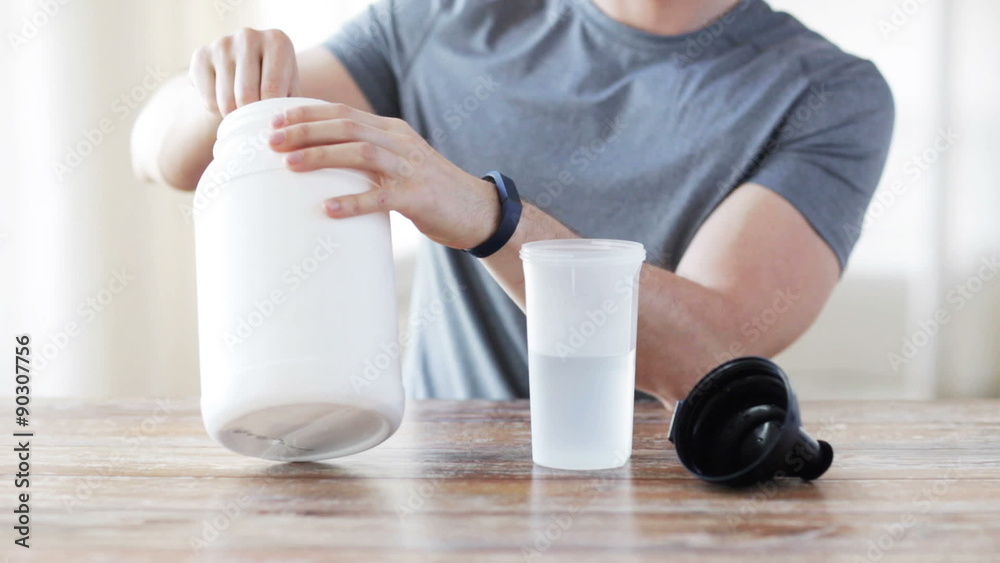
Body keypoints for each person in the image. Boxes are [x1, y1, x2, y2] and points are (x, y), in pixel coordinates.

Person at [131, 0, 894, 406]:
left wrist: (490, 216)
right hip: (439, 494)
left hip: (661, 505)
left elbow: (714, 353)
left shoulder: (826, 93)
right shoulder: (443, 20)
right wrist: (220, 94)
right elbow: (161, 154)